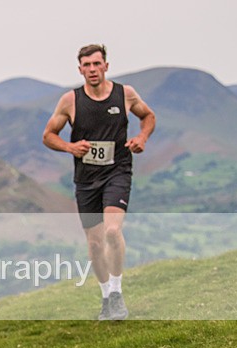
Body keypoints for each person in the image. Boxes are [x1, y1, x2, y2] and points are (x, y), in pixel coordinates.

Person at [43, 44, 155, 320]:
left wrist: (141, 139)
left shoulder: (124, 94)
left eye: (97, 64)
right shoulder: (70, 101)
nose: (92, 69)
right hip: (86, 179)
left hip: (117, 171)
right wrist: (70, 147)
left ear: (106, 66)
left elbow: (148, 117)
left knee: (112, 233)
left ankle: (117, 292)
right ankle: (106, 295)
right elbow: (48, 135)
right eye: (87, 65)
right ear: (80, 69)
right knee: (94, 244)